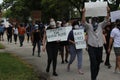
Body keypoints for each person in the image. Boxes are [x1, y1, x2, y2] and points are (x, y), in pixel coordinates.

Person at [82, 7, 110, 80]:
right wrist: (83, 13)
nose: (95, 20)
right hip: (91, 47)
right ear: (91, 20)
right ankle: (93, 78)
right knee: (93, 63)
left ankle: (94, 77)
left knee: (97, 64)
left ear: (98, 20)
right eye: (93, 19)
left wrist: (108, 11)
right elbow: (83, 22)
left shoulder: (101, 25)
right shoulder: (89, 26)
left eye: (96, 19)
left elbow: (106, 19)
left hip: (99, 47)